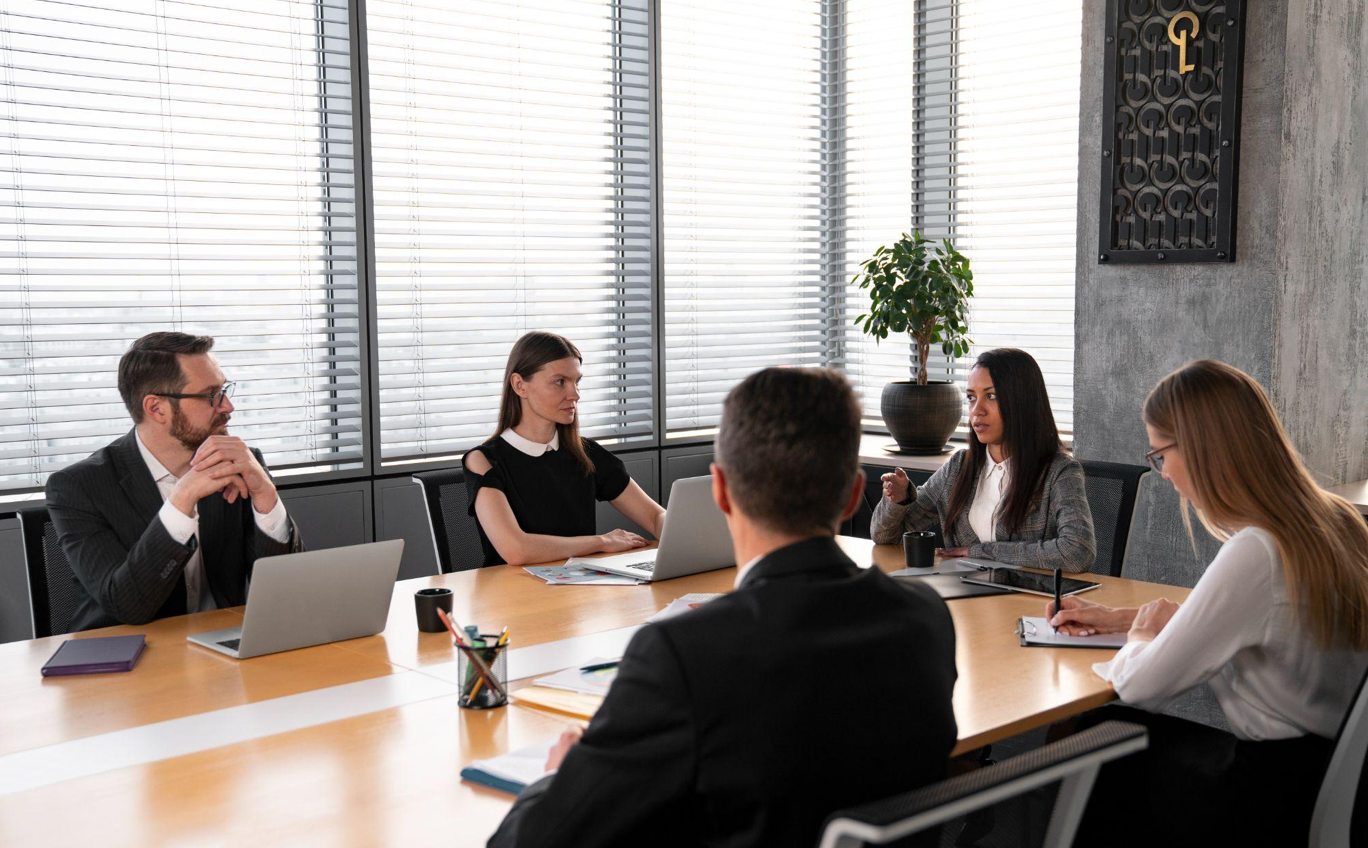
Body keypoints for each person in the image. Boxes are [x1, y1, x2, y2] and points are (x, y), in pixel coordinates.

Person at [486, 367, 958, 848]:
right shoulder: (925, 616)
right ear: (854, 495)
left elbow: (531, 840)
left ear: (721, 491)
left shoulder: (684, 652)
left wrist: (558, 779)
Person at [1047, 360, 1368, 846]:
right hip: (1327, 781)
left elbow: (1140, 687)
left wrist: (1139, 637)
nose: (1164, 474)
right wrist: (1123, 617)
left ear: (1199, 449)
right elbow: (1272, 621)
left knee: (1097, 729)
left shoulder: (1256, 550)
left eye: (1159, 455)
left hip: (1264, 799)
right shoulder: (1338, 522)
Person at [47, 332, 302, 632]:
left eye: (224, 390)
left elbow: (286, 593)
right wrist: (182, 500)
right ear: (156, 409)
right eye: (211, 395)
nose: (227, 406)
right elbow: (126, 605)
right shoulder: (79, 487)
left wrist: (266, 496)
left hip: (223, 648)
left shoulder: (241, 463)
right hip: (128, 659)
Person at [871, 347, 1096, 571]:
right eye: (971, 397)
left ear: (1023, 401)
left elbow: (1077, 551)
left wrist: (981, 552)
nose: (977, 411)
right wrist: (898, 502)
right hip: (964, 600)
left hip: (1030, 602)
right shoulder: (959, 467)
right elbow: (885, 536)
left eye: (991, 396)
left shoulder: (1059, 472)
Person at [463, 331, 666, 567]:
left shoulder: (586, 453)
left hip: (578, 591)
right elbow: (516, 550)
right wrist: (601, 542)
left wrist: (677, 531)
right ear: (520, 386)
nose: (575, 395)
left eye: (576, 382)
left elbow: (654, 515)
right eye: (560, 382)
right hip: (513, 594)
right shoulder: (483, 460)